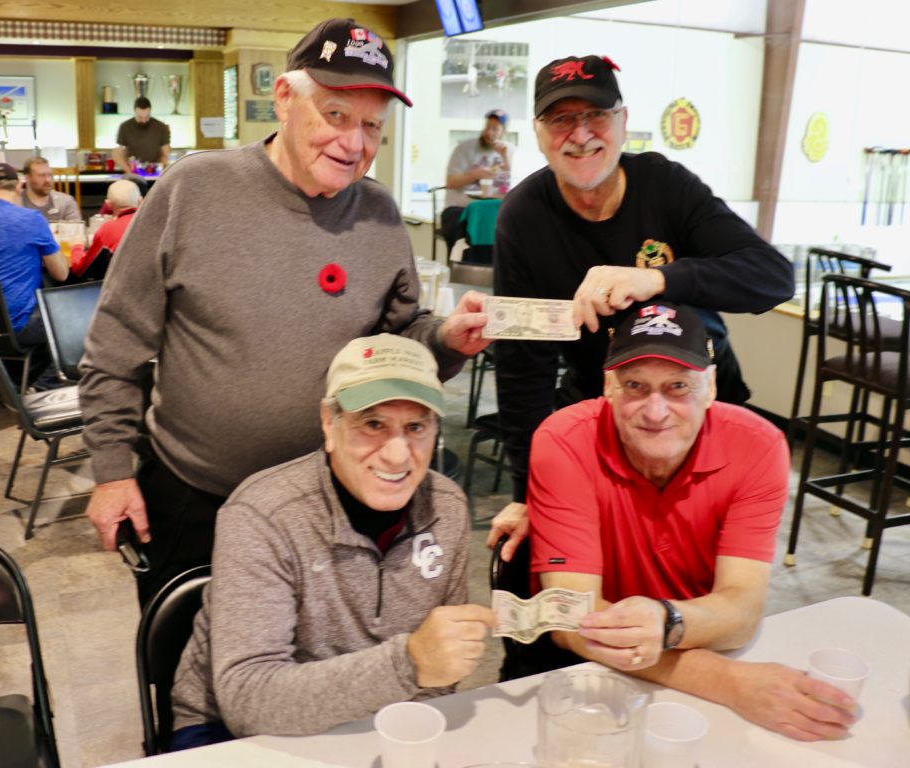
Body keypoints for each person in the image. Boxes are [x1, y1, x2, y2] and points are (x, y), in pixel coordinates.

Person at [79, 17, 490, 607]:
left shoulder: (378, 213)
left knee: (326, 663)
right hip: (197, 499)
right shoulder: (194, 188)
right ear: (284, 99)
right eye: (336, 114)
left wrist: (446, 339)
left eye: (372, 126)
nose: (353, 143)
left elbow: (398, 338)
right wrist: (114, 469)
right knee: (190, 662)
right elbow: (115, 342)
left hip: (331, 504)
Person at [511, 303, 856, 742]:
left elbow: (742, 611)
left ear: (711, 387)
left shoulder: (758, 446)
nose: (655, 412)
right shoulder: (564, 439)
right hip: (592, 678)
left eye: (678, 387)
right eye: (635, 386)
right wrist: (729, 682)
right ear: (608, 387)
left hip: (695, 650)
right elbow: (570, 622)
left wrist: (668, 621)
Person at [491, 55, 795, 546]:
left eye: (596, 115)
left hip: (700, 407)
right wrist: (527, 492)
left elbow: (773, 278)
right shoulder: (523, 217)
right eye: (561, 119)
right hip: (603, 409)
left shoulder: (665, 186)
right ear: (539, 132)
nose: (580, 134)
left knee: (700, 562)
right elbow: (522, 366)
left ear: (623, 121)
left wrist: (655, 279)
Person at [170, 334, 495, 746]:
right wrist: (409, 663)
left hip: (382, 716)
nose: (398, 455)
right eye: (373, 424)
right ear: (329, 422)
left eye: (416, 426)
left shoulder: (446, 508)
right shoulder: (262, 515)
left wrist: (421, 684)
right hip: (229, 731)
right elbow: (247, 701)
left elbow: (438, 676)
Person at [0, 162, 69, 389]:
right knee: (80, 319)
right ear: (19, 186)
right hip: (18, 326)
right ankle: (42, 387)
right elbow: (61, 274)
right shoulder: (32, 219)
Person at [441, 108, 513, 252]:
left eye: (495, 129)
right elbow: (450, 182)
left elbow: (508, 185)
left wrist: (505, 158)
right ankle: (465, 263)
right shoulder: (464, 148)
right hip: (462, 208)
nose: (489, 132)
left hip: (493, 209)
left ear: (503, 132)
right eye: (487, 127)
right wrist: (474, 175)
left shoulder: (509, 150)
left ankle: (491, 264)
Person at [71, 179, 140, 278]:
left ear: (108, 205)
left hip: (121, 284)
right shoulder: (154, 222)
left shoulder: (108, 228)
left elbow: (81, 269)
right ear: (140, 200)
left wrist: (77, 246)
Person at [112, 97, 170, 173]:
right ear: (135, 111)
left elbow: (166, 153)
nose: (144, 120)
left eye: (147, 117)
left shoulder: (161, 127)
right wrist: (130, 171)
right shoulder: (124, 127)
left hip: (155, 171)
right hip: (132, 170)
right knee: (116, 152)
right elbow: (119, 153)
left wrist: (158, 170)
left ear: (150, 111)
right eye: (140, 117)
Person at [20, 157, 82, 222]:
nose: (48, 180)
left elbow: (76, 227)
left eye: (50, 175)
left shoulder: (66, 202)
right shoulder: (15, 203)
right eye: (41, 175)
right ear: (27, 177)